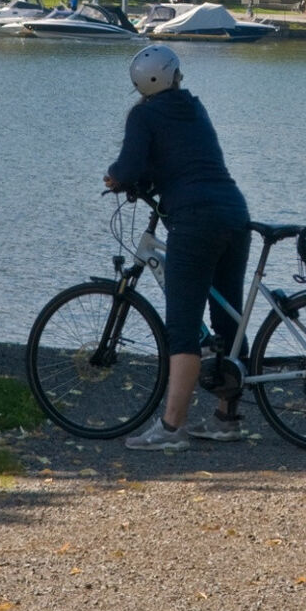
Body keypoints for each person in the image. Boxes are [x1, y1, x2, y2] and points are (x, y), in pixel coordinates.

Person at [103, 44, 251, 451]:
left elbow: (129, 166)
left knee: (182, 326)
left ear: (141, 83)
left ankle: (172, 429)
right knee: (228, 318)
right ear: (174, 76)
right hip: (234, 213)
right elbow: (183, 158)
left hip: (194, 219)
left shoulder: (144, 114)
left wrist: (115, 178)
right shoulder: (195, 108)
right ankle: (226, 419)